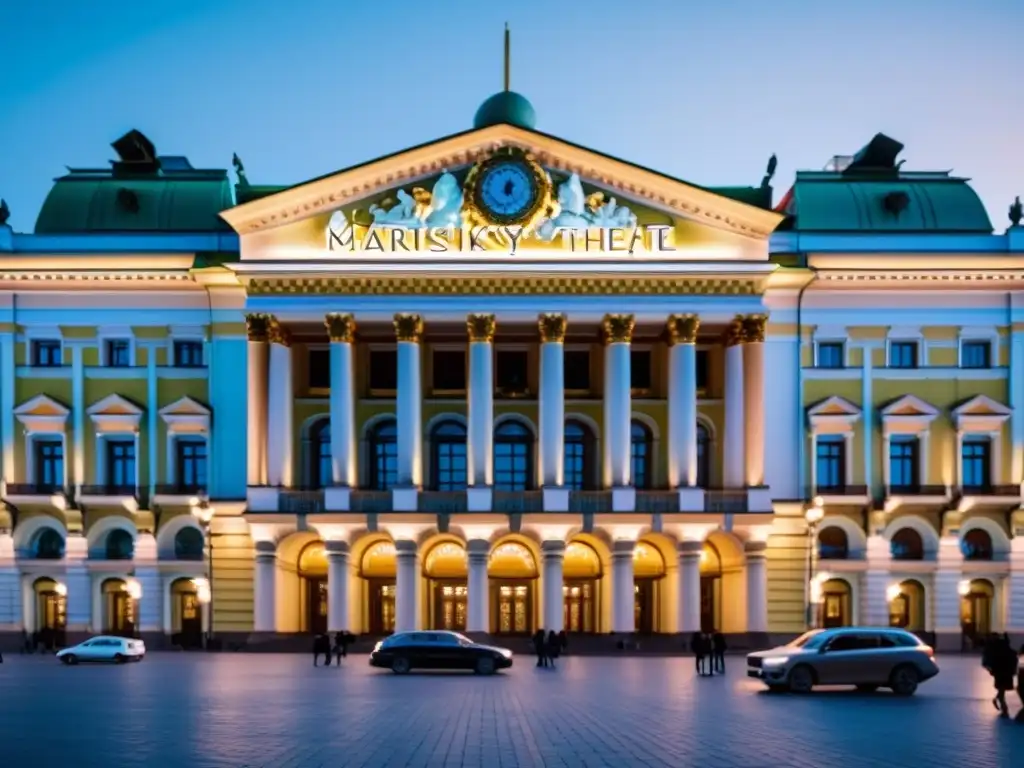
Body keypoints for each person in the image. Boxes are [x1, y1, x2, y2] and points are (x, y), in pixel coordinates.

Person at [990, 634, 1017, 717]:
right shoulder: (1011, 652)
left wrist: (993, 671)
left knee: (1001, 690)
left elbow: (994, 663)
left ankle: (1002, 707)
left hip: (1000, 674)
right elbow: (1014, 662)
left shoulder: (997, 653)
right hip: (1007, 674)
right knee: (1002, 690)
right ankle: (1004, 709)